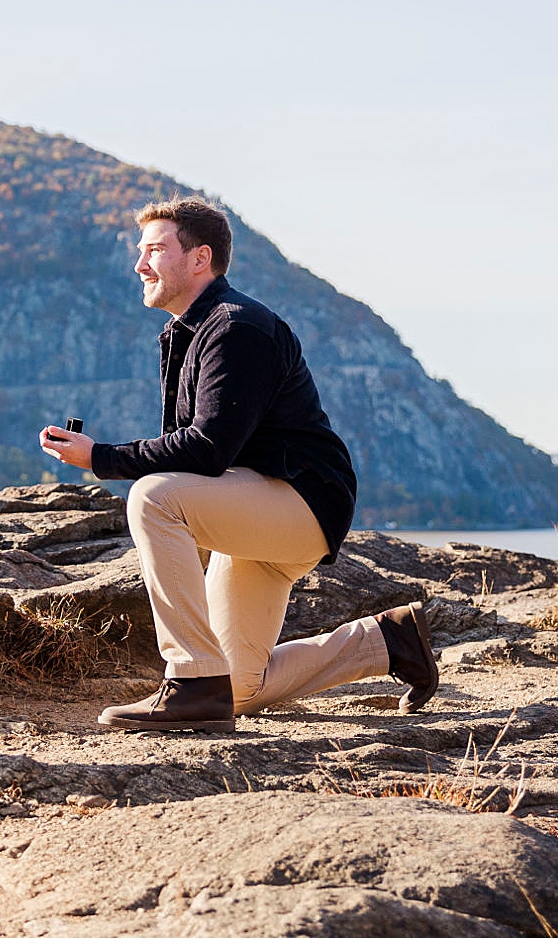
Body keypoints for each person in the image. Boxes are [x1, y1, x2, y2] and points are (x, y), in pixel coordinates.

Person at [39, 197, 438, 732]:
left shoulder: (237, 327)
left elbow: (206, 449)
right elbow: (198, 457)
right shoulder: (188, 333)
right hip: (257, 513)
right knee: (239, 689)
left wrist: (102, 458)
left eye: (154, 250)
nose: (140, 264)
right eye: (140, 251)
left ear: (199, 258)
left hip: (300, 502)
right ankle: (389, 641)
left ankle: (187, 679)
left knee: (153, 496)